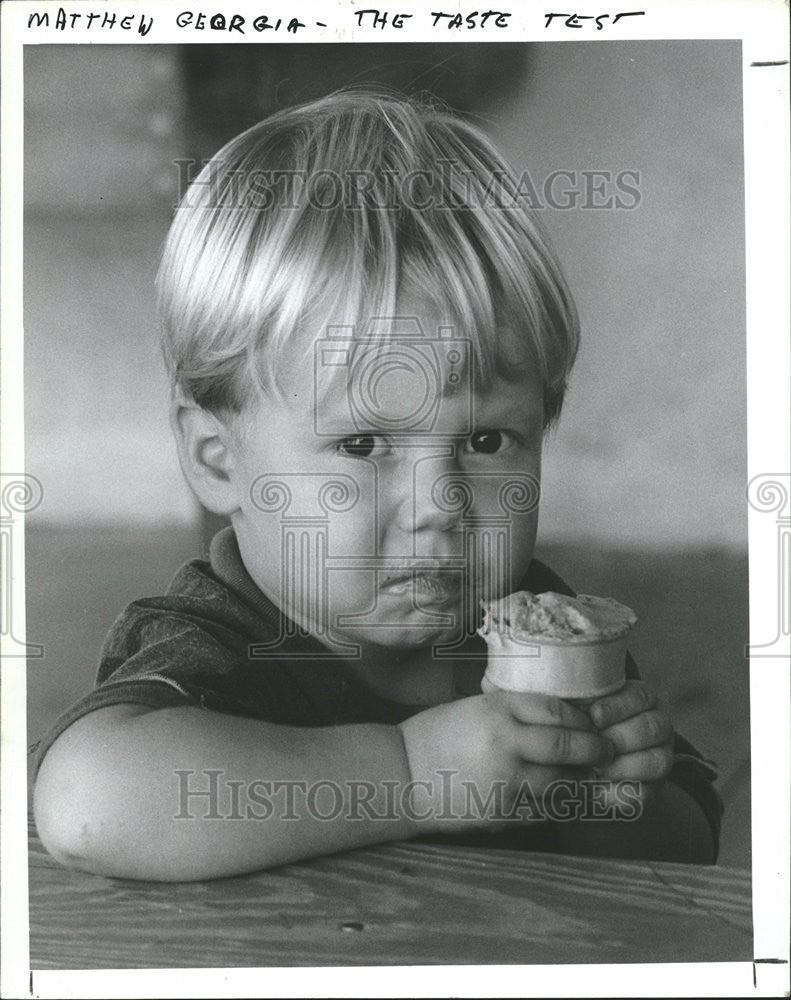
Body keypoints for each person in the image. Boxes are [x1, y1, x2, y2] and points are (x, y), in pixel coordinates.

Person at [33, 90, 722, 880]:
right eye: (362, 443)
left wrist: (612, 804)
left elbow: (689, 849)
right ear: (218, 459)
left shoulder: (540, 633)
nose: (440, 505)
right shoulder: (216, 645)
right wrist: (410, 776)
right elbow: (88, 805)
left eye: (486, 439)